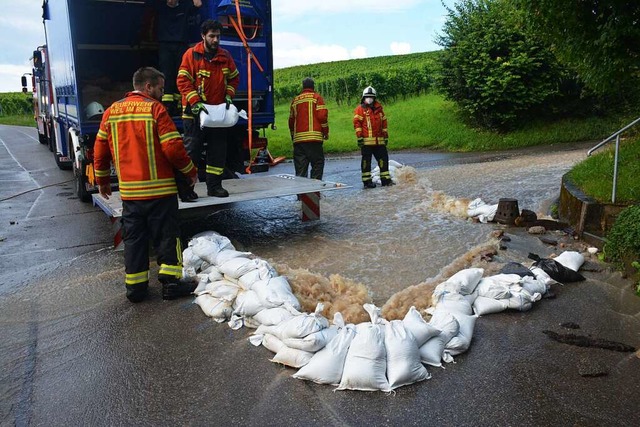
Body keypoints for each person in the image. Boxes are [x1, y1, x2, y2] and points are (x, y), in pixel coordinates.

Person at [94, 67, 198, 303]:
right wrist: (190, 171)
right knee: (167, 236)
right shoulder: (155, 109)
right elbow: (173, 148)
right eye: (160, 88)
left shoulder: (111, 111)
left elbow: (99, 151)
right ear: (148, 87)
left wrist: (102, 180)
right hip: (161, 191)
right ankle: (171, 284)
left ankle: (136, 289)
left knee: (134, 240)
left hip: (131, 194)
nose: (162, 93)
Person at [177, 19, 239, 198]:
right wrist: (195, 101)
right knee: (192, 151)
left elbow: (234, 79)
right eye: (212, 36)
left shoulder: (225, 56)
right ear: (203, 36)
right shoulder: (191, 55)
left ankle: (214, 187)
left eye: (218, 36)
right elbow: (182, 81)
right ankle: (186, 189)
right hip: (193, 113)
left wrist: (229, 94)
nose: (215, 40)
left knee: (218, 151)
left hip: (217, 113)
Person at [149, 0, 202, 117]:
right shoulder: (160, 6)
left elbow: (198, 3)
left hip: (181, 44)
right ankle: (167, 105)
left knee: (181, 74)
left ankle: (179, 104)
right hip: (165, 44)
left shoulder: (185, 6)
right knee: (166, 73)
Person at [288, 77, 329, 180]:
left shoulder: (295, 100)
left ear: (303, 86)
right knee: (317, 165)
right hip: (314, 139)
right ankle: (314, 193)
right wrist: (325, 132)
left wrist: (293, 135)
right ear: (313, 86)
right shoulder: (317, 98)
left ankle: (302, 195)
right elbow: (322, 117)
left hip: (299, 141)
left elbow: (291, 121)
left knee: (300, 170)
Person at [353, 86, 392, 188]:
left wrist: (385, 136)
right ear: (363, 98)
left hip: (379, 142)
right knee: (366, 162)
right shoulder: (360, 110)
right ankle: (367, 182)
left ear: (374, 98)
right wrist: (359, 137)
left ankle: (386, 180)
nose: (369, 99)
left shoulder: (379, 110)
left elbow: (384, 123)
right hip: (366, 142)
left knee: (383, 160)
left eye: (371, 97)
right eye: (367, 97)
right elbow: (357, 124)